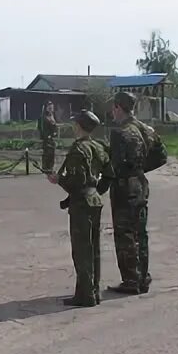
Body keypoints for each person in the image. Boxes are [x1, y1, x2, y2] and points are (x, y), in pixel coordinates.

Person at [49, 109, 111, 307]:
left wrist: (59, 180)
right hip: (94, 201)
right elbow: (109, 173)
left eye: (75, 123)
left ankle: (86, 295)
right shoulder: (99, 147)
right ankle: (94, 290)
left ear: (79, 126)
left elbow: (76, 181)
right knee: (94, 249)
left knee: (82, 250)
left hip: (81, 203)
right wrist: (97, 191)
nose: (73, 126)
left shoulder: (78, 150)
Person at [106, 91, 153, 295]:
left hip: (124, 186)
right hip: (141, 184)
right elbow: (161, 155)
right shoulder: (146, 129)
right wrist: (139, 169)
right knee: (140, 232)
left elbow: (114, 165)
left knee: (125, 234)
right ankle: (143, 276)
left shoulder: (119, 132)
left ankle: (130, 280)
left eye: (113, 108)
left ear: (118, 107)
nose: (112, 112)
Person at [37, 101, 59, 174]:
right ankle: (45, 168)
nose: (51, 109)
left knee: (52, 153)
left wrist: (55, 132)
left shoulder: (53, 116)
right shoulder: (43, 117)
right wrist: (46, 136)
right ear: (46, 108)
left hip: (53, 137)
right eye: (49, 107)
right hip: (46, 138)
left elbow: (55, 126)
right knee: (47, 152)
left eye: (52, 107)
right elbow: (41, 128)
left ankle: (50, 167)